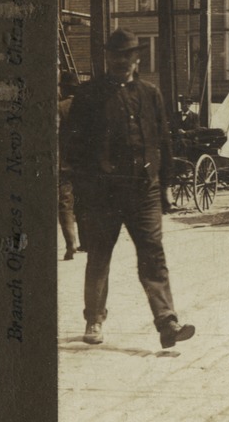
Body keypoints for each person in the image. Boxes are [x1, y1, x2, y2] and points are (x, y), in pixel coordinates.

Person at [64, 29, 195, 349]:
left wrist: (163, 187)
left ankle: (167, 321)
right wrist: (83, 196)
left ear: (138, 57)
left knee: (153, 254)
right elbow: (74, 148)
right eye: (116, 55)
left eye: (128, 55)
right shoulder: (89, 95)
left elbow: (163, 142)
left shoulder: (151, 94)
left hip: (144, 190)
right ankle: (94, 317)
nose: (122, 61)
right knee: (99, 255)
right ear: (107, 57)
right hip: (104, 193)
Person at [58, 71, 82, 260]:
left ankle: (70, 244)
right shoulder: (87, 108)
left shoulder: (59, 108)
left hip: (65, 162)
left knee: (66, 203)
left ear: (63, 88)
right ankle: (87, 241)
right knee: (84, 202)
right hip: (84, 164)